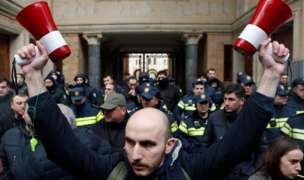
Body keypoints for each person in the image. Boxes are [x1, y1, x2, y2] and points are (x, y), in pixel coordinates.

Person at [16, 38, 287, 179]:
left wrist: (272, 75)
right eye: (130, 142)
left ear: (169, 145)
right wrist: (33, 77)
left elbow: (239, 142)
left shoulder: (190, 170)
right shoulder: (110, 170)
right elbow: (60, 143)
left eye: (147, 144)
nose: (135, 154)